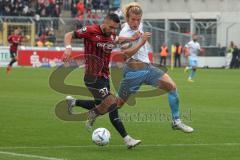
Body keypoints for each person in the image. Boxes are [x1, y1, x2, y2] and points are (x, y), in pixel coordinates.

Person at [63, 13, 151, 148]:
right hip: (92, 77)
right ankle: (127, 140)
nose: (113, 31)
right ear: (105, 23)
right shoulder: (91, 31)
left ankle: (74, 103)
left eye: (115, 28)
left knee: (101, 104)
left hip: (104, 76)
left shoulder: (111, 35)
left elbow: (117, 39)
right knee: (112, 104)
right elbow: (69, 34)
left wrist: (132, 38)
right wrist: (68, 49)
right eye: (111, 27)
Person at [116, 2, 194, 137]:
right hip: (133, 71)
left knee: (172, 87)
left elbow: (135, 12)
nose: (136, 22)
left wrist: (134, 7)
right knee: (117, 104)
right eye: (133, 19)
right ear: (127, 19)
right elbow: (127, 54)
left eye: (138, 19)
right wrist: (141, 42)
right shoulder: (125, 32)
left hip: (148, 67)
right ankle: (92, 110)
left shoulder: (138, 25)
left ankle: (176, 121)